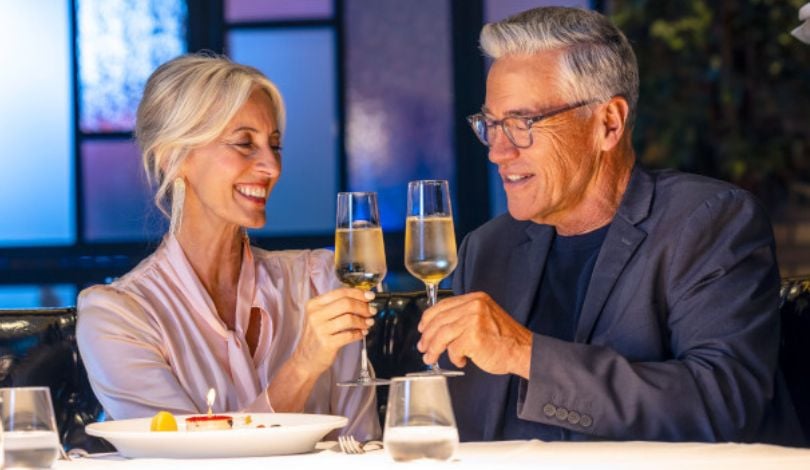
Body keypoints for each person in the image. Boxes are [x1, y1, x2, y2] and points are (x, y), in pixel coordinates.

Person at [416, 7, 803, 445]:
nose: (498, 152)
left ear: (608, 123)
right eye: (491, 125)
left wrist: (524, 354)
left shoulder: (710, 222)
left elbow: (724, 406)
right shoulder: (487, 248)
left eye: (523, 124)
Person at [76, 53, 379, 439]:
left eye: (275, 145)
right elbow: (186, 460)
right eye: (244, 144)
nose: (271, 166)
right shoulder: (119, 320)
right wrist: (302, 365)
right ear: (173, 158)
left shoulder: (321, 281)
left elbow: (364, 447)